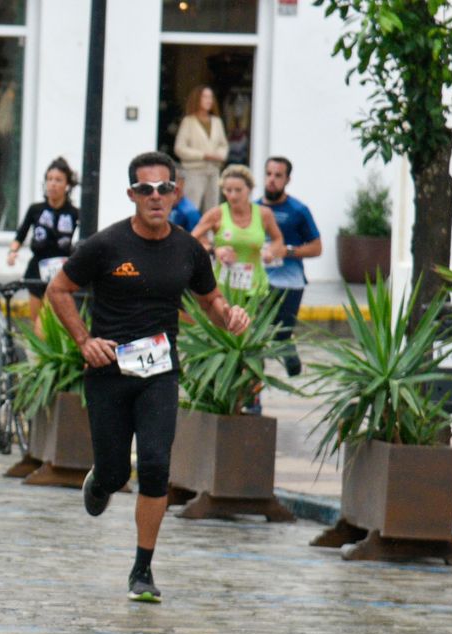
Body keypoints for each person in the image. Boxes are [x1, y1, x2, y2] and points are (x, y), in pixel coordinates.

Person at [44, 151, 249, 603]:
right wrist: (84, 341)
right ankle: (100, 481)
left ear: (176, 192)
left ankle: (142, 570)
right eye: (145, 189)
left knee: (156, 465)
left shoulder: (188, 250)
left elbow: (210, 301)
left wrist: (229, 315)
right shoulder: (106, 246)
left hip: (160, 373)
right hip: (108, 372)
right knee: (117, 472)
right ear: (132, 195)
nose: (155, 197)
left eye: (163, 189)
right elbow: (58, 289)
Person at [257, 156, 323, 377]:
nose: (272, 180)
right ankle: (254, 386)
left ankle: (290, 359)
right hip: (258, 281)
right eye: (268, 174)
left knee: (282, 333)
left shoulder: (298, 211)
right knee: (254, 336)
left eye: (278, 175)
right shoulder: (253, 208)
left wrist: (288, 251)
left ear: (287, 179)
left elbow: (316, 247)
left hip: (289, 281)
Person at [191, 164, 286, 299]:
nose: (233, 195)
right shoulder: (216, 214)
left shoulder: (264, 214)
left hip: (254, 289)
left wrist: (271, 251)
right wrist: (214, 250)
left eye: (238, 190)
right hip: (222, 289)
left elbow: (278, 239)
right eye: (228, 190)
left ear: (249, 189)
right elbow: (193, 239)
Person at [6, 157, 80, 330]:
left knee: (48, 318)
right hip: (36, 269)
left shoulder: (74, 213)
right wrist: (12, 252)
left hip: (60, 270)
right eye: (50, 179)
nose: (53, 184)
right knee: (36, 317)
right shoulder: (36, 210)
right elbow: (21, 235)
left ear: (67, 185)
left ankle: (48, 352)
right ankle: (41, 354)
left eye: (58, 180)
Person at [173, 85, 229, 215]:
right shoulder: (189, 121)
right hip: (195, 172)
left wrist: (220, 155)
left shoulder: (217, 122)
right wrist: (203, 155)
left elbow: (223, 144)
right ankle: (190, 234)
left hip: (213, 171)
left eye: (210, 97)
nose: (208, 100)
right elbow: (180, 148)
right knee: (192, 207)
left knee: (213, 209)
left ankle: (209, 235)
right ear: (197, 99)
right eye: (205, 97)